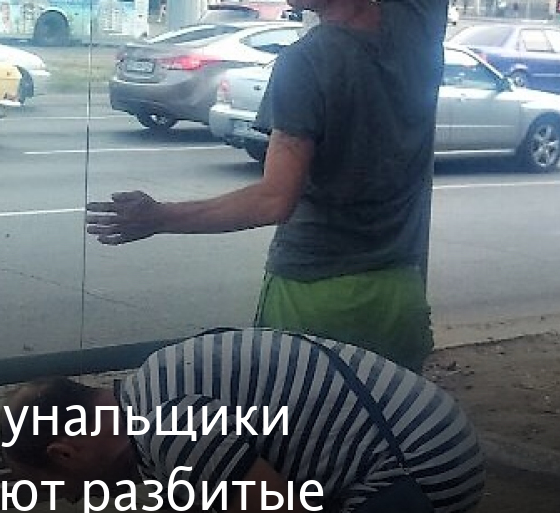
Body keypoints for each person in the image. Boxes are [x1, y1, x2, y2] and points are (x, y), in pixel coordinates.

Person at [1, 327, 486, 513]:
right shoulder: (146, 403)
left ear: (64, 454)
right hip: (415, 444)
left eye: (56, 489)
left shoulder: (168, 429)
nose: (71, 501)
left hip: (418, 466)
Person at [85, 0, 447, 374]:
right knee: (388, 412)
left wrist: (160, 217)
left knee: (300, 412)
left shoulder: (306, 62)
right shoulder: (418, 35)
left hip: (316, 296)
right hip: (400, 293)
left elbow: (274, 200)